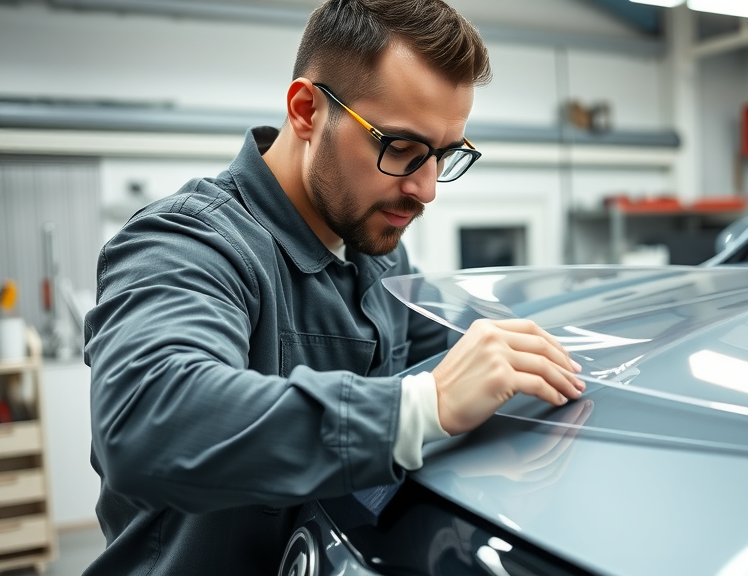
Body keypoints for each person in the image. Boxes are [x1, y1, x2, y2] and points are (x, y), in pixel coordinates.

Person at [82, 0, 584, 573]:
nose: (426, 189)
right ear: (306, 110)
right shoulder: (187, 243)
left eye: (443, 156)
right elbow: (148, 421)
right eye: (400, 148)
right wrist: (422, 407)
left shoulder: (381, 254)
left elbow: (451, 361)